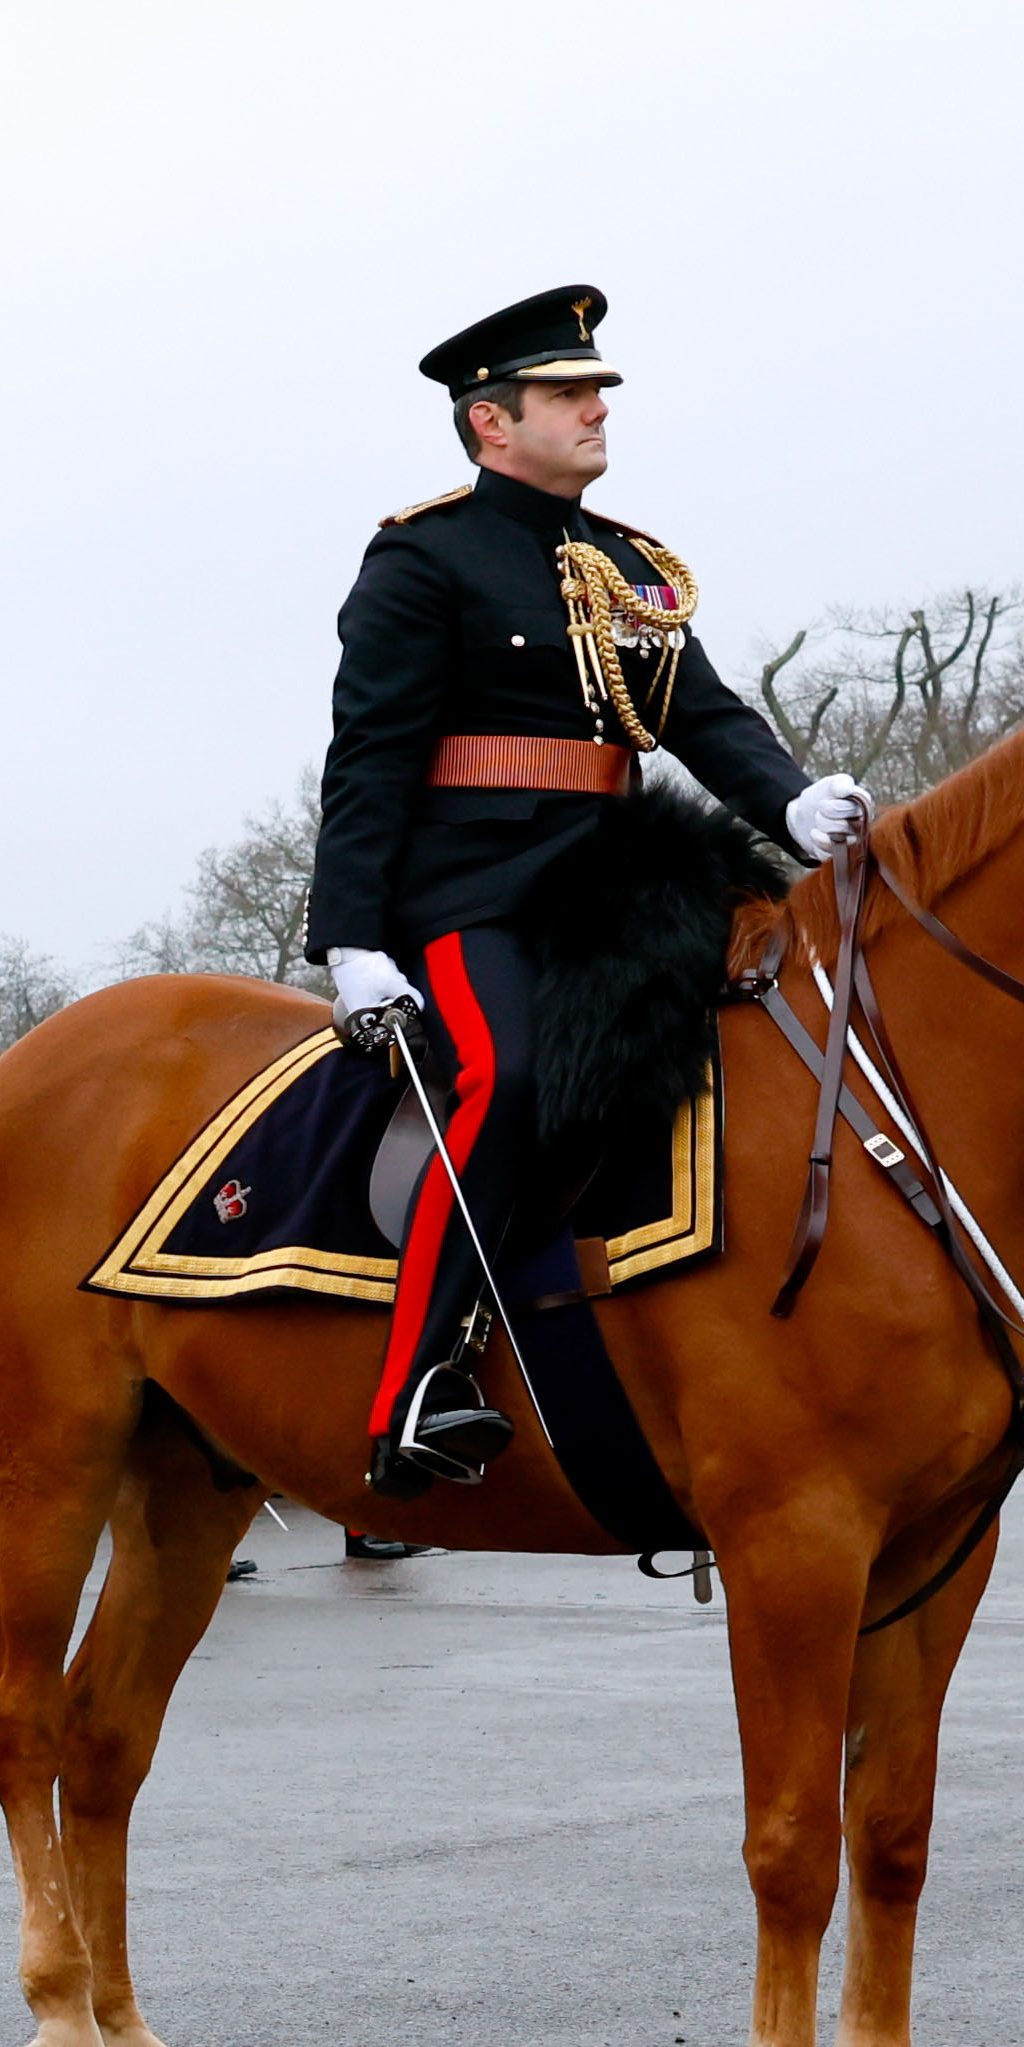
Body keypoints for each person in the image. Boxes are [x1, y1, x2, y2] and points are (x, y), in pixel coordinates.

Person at [311, 283, 859, 1488]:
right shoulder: (423, 556)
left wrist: (788, 803)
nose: (595, 408)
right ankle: (414, 1385)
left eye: (596, 389)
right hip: (473, 890)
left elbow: (700, 716)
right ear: (488, 422)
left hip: (620, 883)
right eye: (567, 393)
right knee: (503, 1079)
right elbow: (369, 756)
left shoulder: (622, 565)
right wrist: (350, 939)